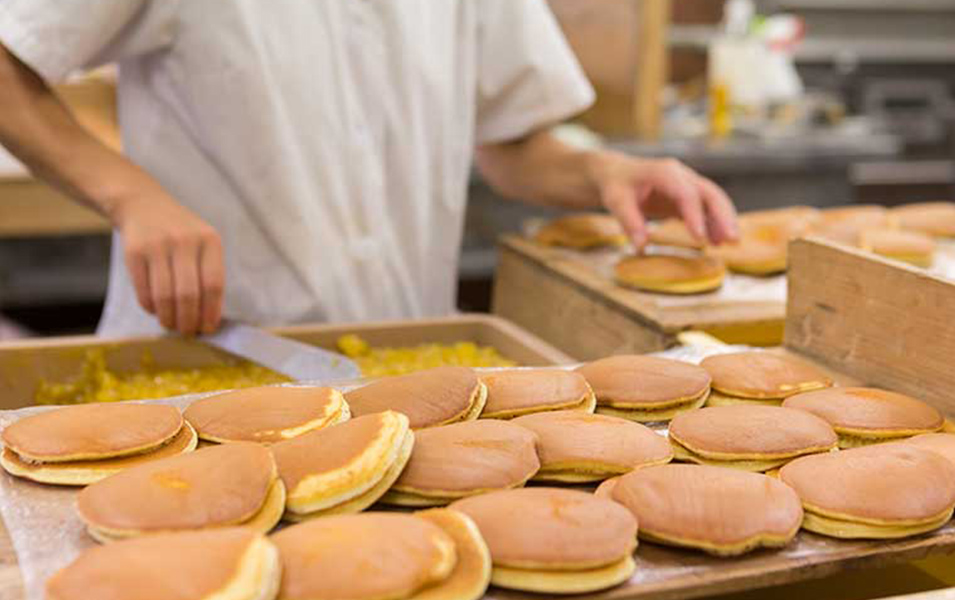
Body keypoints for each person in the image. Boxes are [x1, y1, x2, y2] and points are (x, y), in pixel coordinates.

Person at [0, 1, 738, 337]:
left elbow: (513, 144)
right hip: (209, 360)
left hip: (404, 368)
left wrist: (604, 173)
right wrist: (131, 196)